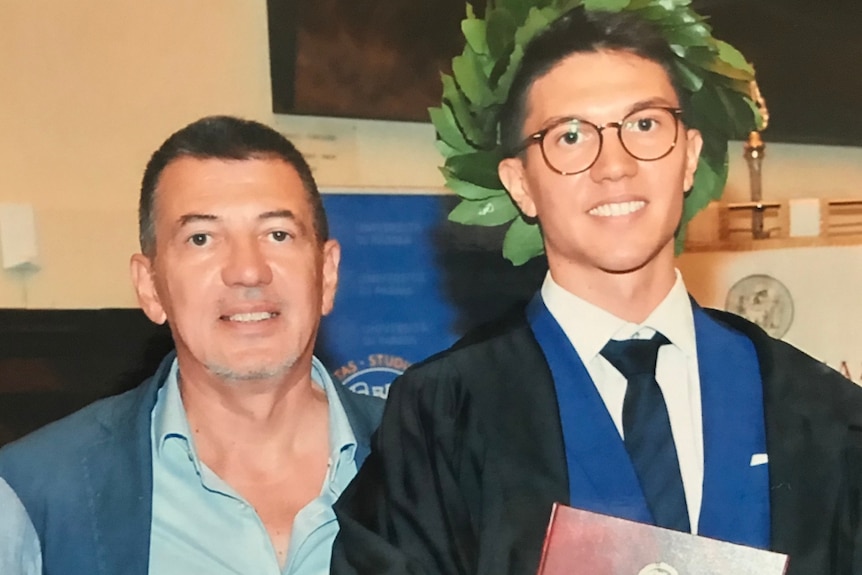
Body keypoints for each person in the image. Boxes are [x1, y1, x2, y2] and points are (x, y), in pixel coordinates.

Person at [330, 6, 862, 575]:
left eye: (645, 125)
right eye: (571, 135)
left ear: (689, 157)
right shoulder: (443, 415)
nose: (615, 165)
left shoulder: (819, 409)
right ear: (520, 184)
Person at [0, 115, 384, 575]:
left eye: (277, 234)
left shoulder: (433, 457)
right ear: (149, 286)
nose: (248, 270)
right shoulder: (35, 493)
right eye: (201, 238)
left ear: (327, 273)